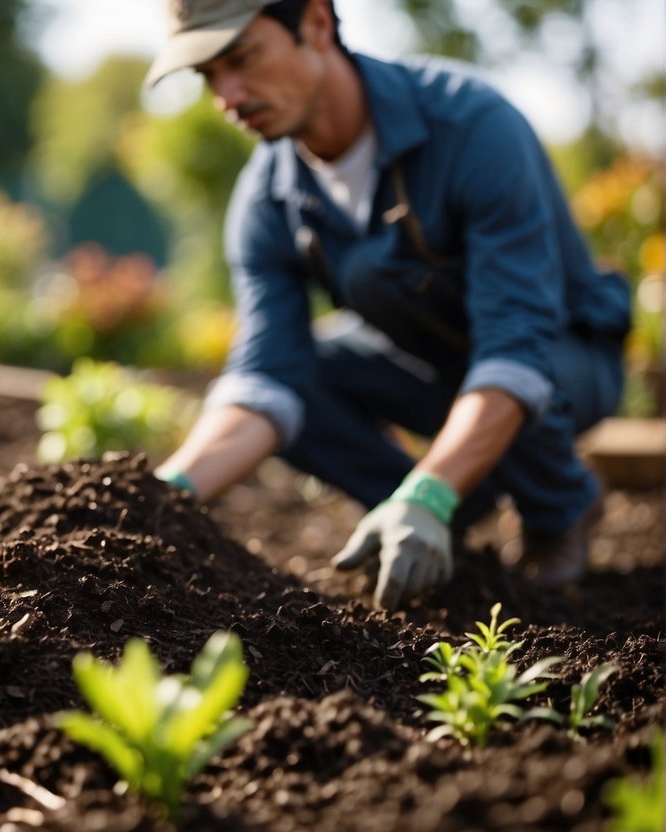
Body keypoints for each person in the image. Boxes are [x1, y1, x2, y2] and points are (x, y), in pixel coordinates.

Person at [146, 0, 630, 608]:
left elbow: (516, 347)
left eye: (240, 58)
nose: (227, 94)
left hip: (562, 355)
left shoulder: (472, 127)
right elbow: (263, 379)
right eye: (207, 75)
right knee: (302, 375)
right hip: (426, 362)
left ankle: (560, 508)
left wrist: (428, 490)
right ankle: (448, 505)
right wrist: (159, 499)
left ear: (318, 24)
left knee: (519, 374)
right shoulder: (267, 200)